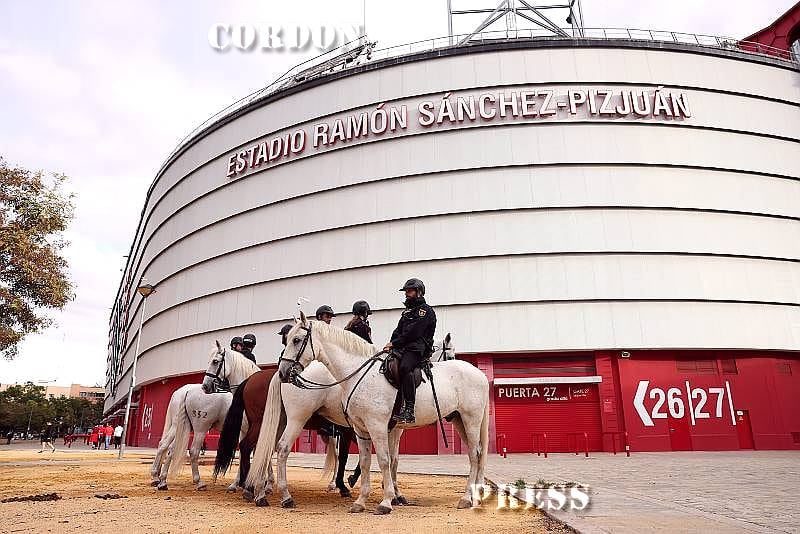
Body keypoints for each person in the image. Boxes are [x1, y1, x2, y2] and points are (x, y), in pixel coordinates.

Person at [383, 278, 436, 424]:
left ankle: (409, 410)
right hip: (404, 347)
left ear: (419, 292)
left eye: (409, 291)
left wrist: (394, 343)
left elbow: (414, 332)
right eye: (406, 291)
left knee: (405, 367)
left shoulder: (425, 311)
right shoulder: (407, 311)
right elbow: (398, 330)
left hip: (418, 348)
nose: (406, 294)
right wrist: (391, 342)